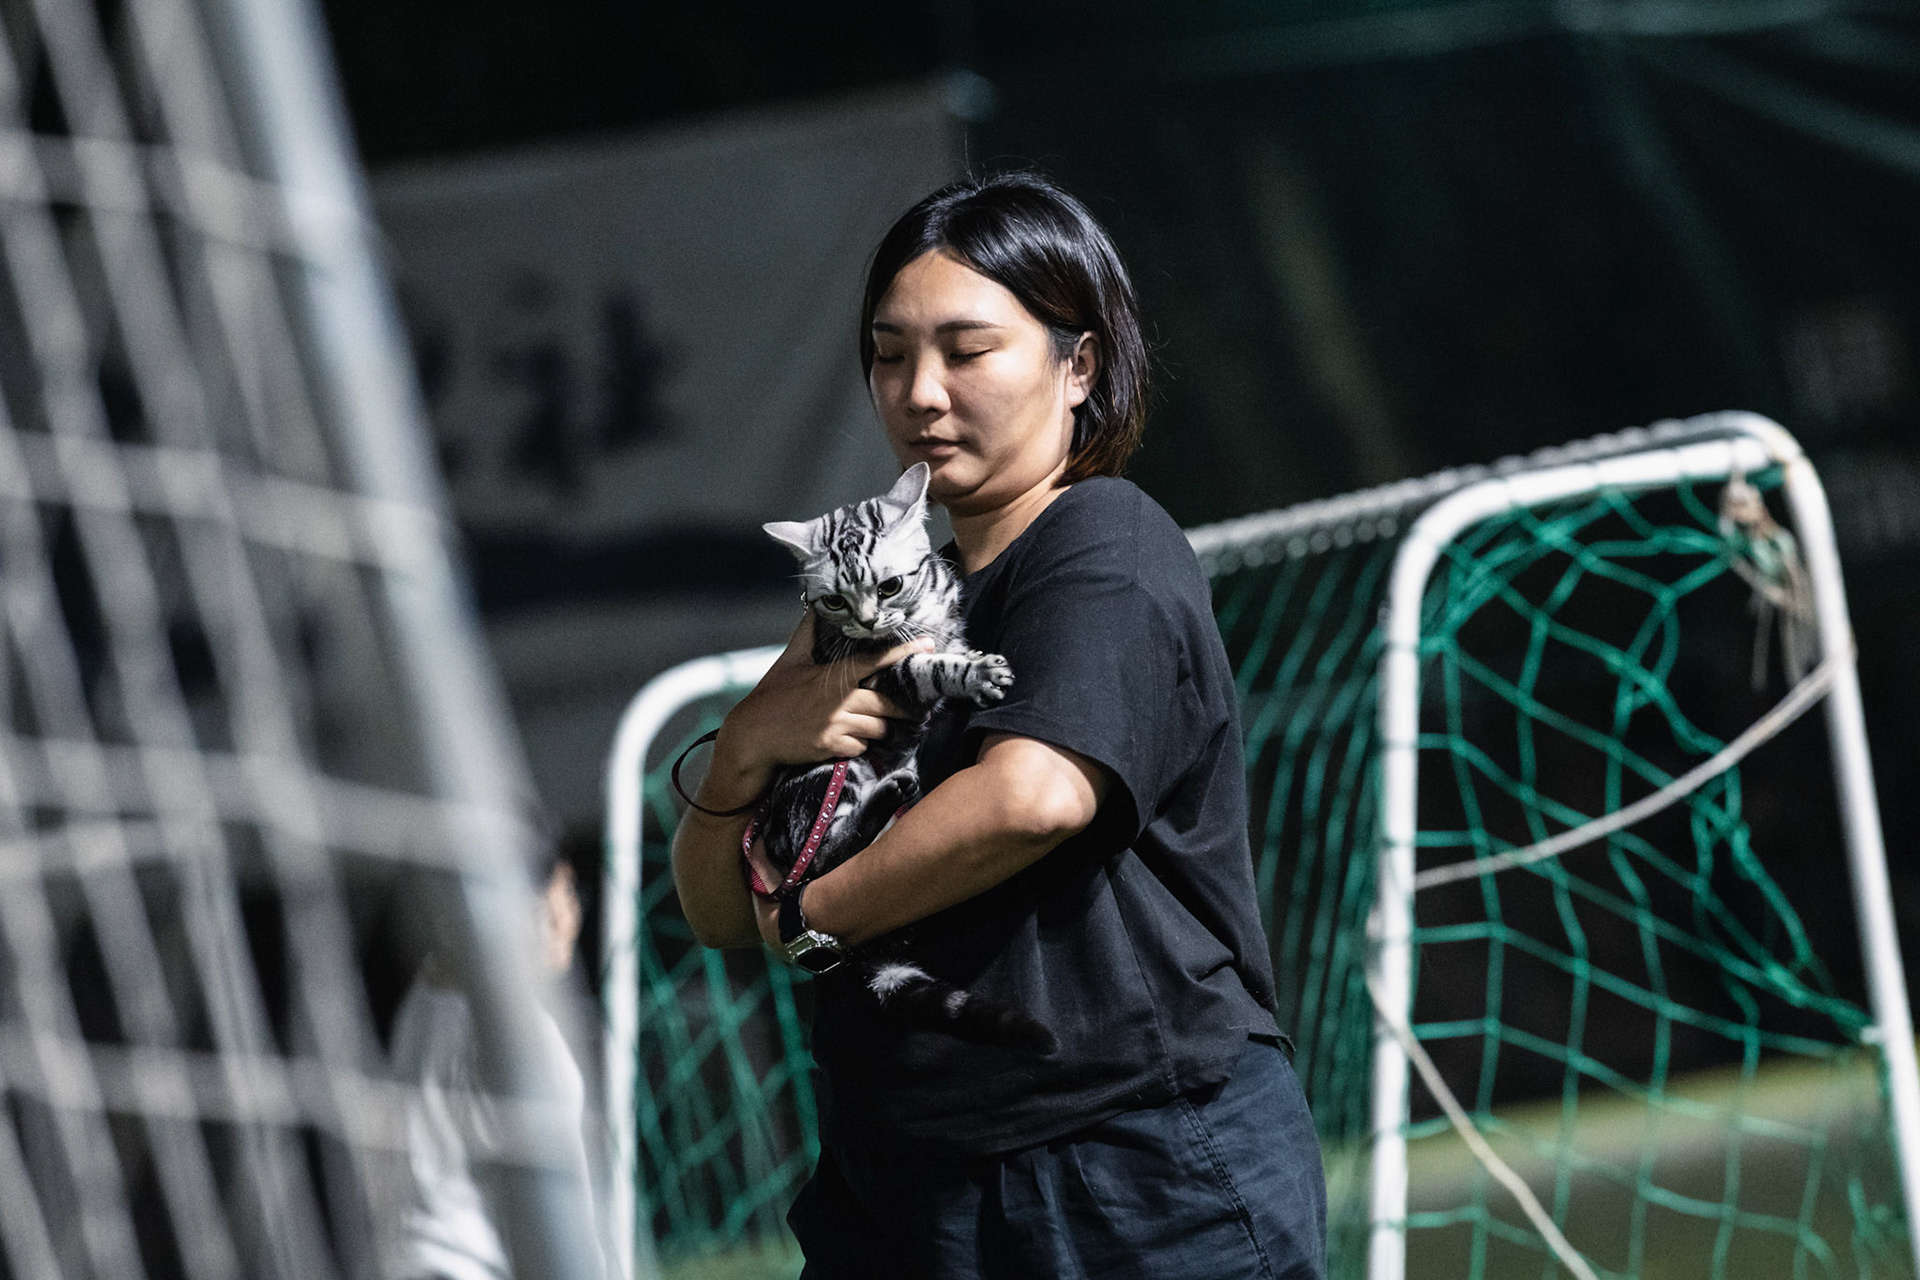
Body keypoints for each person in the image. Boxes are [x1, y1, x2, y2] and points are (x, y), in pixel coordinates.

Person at [672, 171, 1326, 1279]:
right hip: (900, 1178)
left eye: (966, 351)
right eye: (888, 353)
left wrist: (817, 911)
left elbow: (1034, 792)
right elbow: (717, 912)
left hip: (1129, 1162)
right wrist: (743, 746)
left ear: (1082, 366)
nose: (919, 392)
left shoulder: (1101, 538)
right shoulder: (863, 597)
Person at [382, 850, 606, 1280]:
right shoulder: (520, 1037)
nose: (567, 922)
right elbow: (555, 1213)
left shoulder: (420, 1000)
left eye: (573, 897)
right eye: (554, 901)